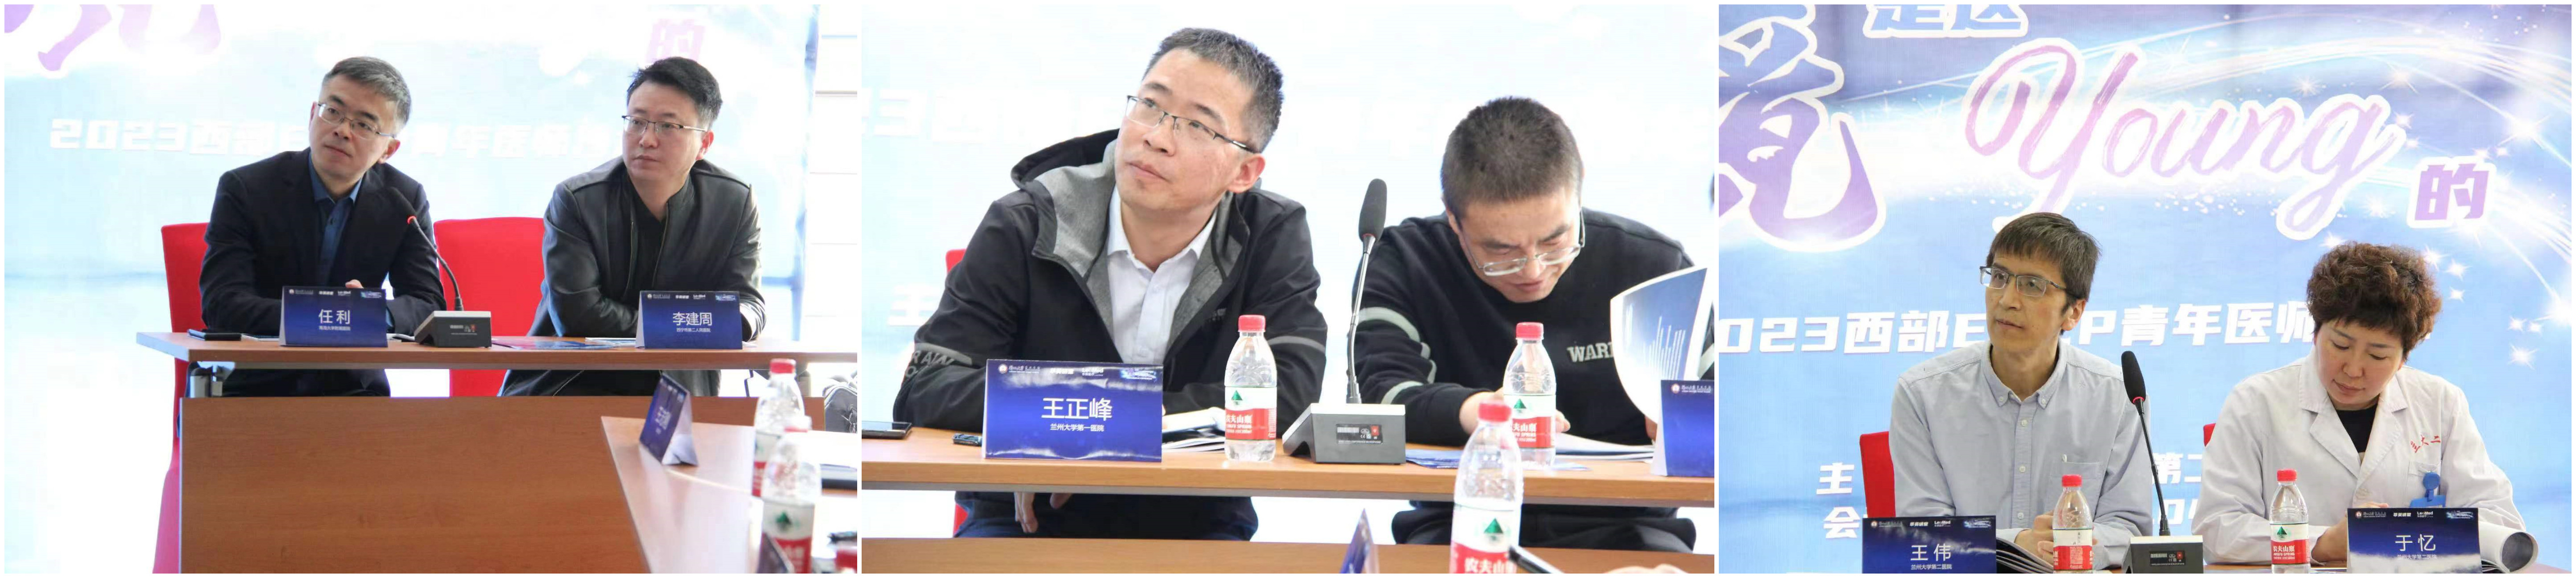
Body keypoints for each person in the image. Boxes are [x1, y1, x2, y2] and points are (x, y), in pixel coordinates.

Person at [891, 28, 1326, 540]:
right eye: (1149, 105)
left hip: (1194, 516)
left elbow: (1287, 395)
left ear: (1245, 172)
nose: (1156, 137)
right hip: (1026, 519)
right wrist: (1065, 436)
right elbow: (927, 388)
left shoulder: (1269, 234)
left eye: (1197, 126)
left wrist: (1087, 425)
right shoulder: (1029, 221)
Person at [1354, 97, 1697, 552]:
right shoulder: (1407, 261)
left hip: (1632, 530)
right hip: (1457, 524)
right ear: (1453, 218)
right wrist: (1484, 413)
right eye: (1501, 251)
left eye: (1556, 241)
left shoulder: (1653, 266)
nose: (1533, 270)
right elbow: (1381, 395)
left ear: (1579, 191)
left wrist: (1689, 418)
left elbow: (1730, 408)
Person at [2194, 242, 2524, 564]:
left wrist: (2408, 534)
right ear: (2315, 335)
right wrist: (2320, 544)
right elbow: (2218, 527)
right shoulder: (2256, 401)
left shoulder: (2439, 402)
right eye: (2340, 346)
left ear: (2403, 358)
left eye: (2377, 355)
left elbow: (2499, 519)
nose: (2353, 370)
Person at [1887, 212, 2152, 569]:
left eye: (2031, 285)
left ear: (2073, 312)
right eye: (1999, 277)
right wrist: (2019, 543)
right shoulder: (1922, 393)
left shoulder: (2117, 396)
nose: (2006, 299)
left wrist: (2069, 544)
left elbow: (2129, 529)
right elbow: (1919, 537)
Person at [503, 56, 765, 396]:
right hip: (571, 384)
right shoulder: (577, 199)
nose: (647, 139)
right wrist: (697, 323)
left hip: (678, 391)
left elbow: (749, 307)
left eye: (668, 126)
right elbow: (579, 317)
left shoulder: (735, 202)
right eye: (637, 122)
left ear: (704, 144)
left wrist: (726, 322)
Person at [200, 56, 446, 396]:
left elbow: (429, 305)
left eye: (364, 125)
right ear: (312, 115)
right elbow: (222, 304)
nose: (342, 130)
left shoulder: (404, 199)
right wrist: (339, 317)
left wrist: (374, 315)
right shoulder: (246, 189)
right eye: (333, 111)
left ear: (388, 150)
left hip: (354, 390)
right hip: (253, 385)